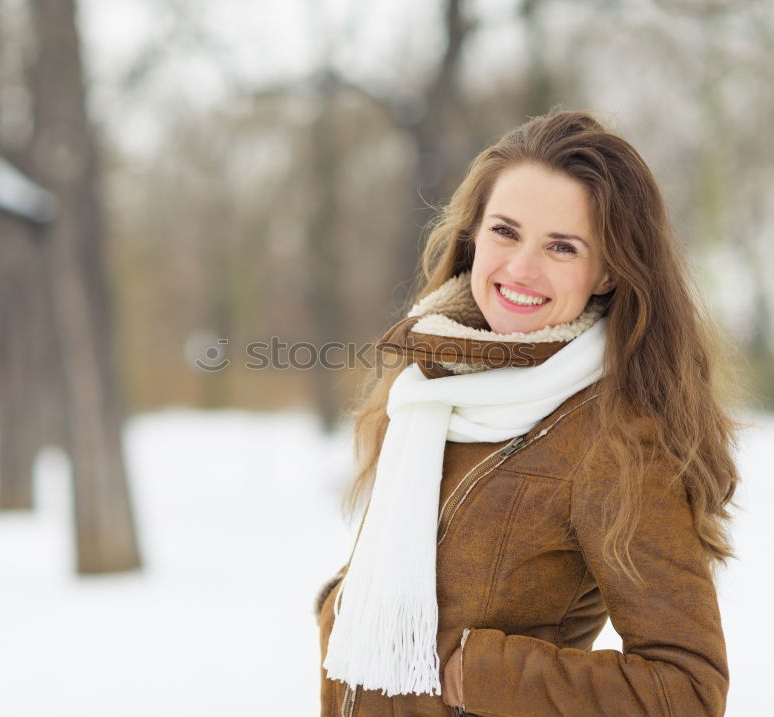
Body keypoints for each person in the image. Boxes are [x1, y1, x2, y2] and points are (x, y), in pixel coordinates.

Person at [315, 109, 742, 717]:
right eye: (505, 232)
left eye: (562, 247)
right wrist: (343, 606)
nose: (520, 268)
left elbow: (687, 689)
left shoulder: (616, 440)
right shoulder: (428, 388)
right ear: (473, 236)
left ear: (609, 271)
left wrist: (477, 675)